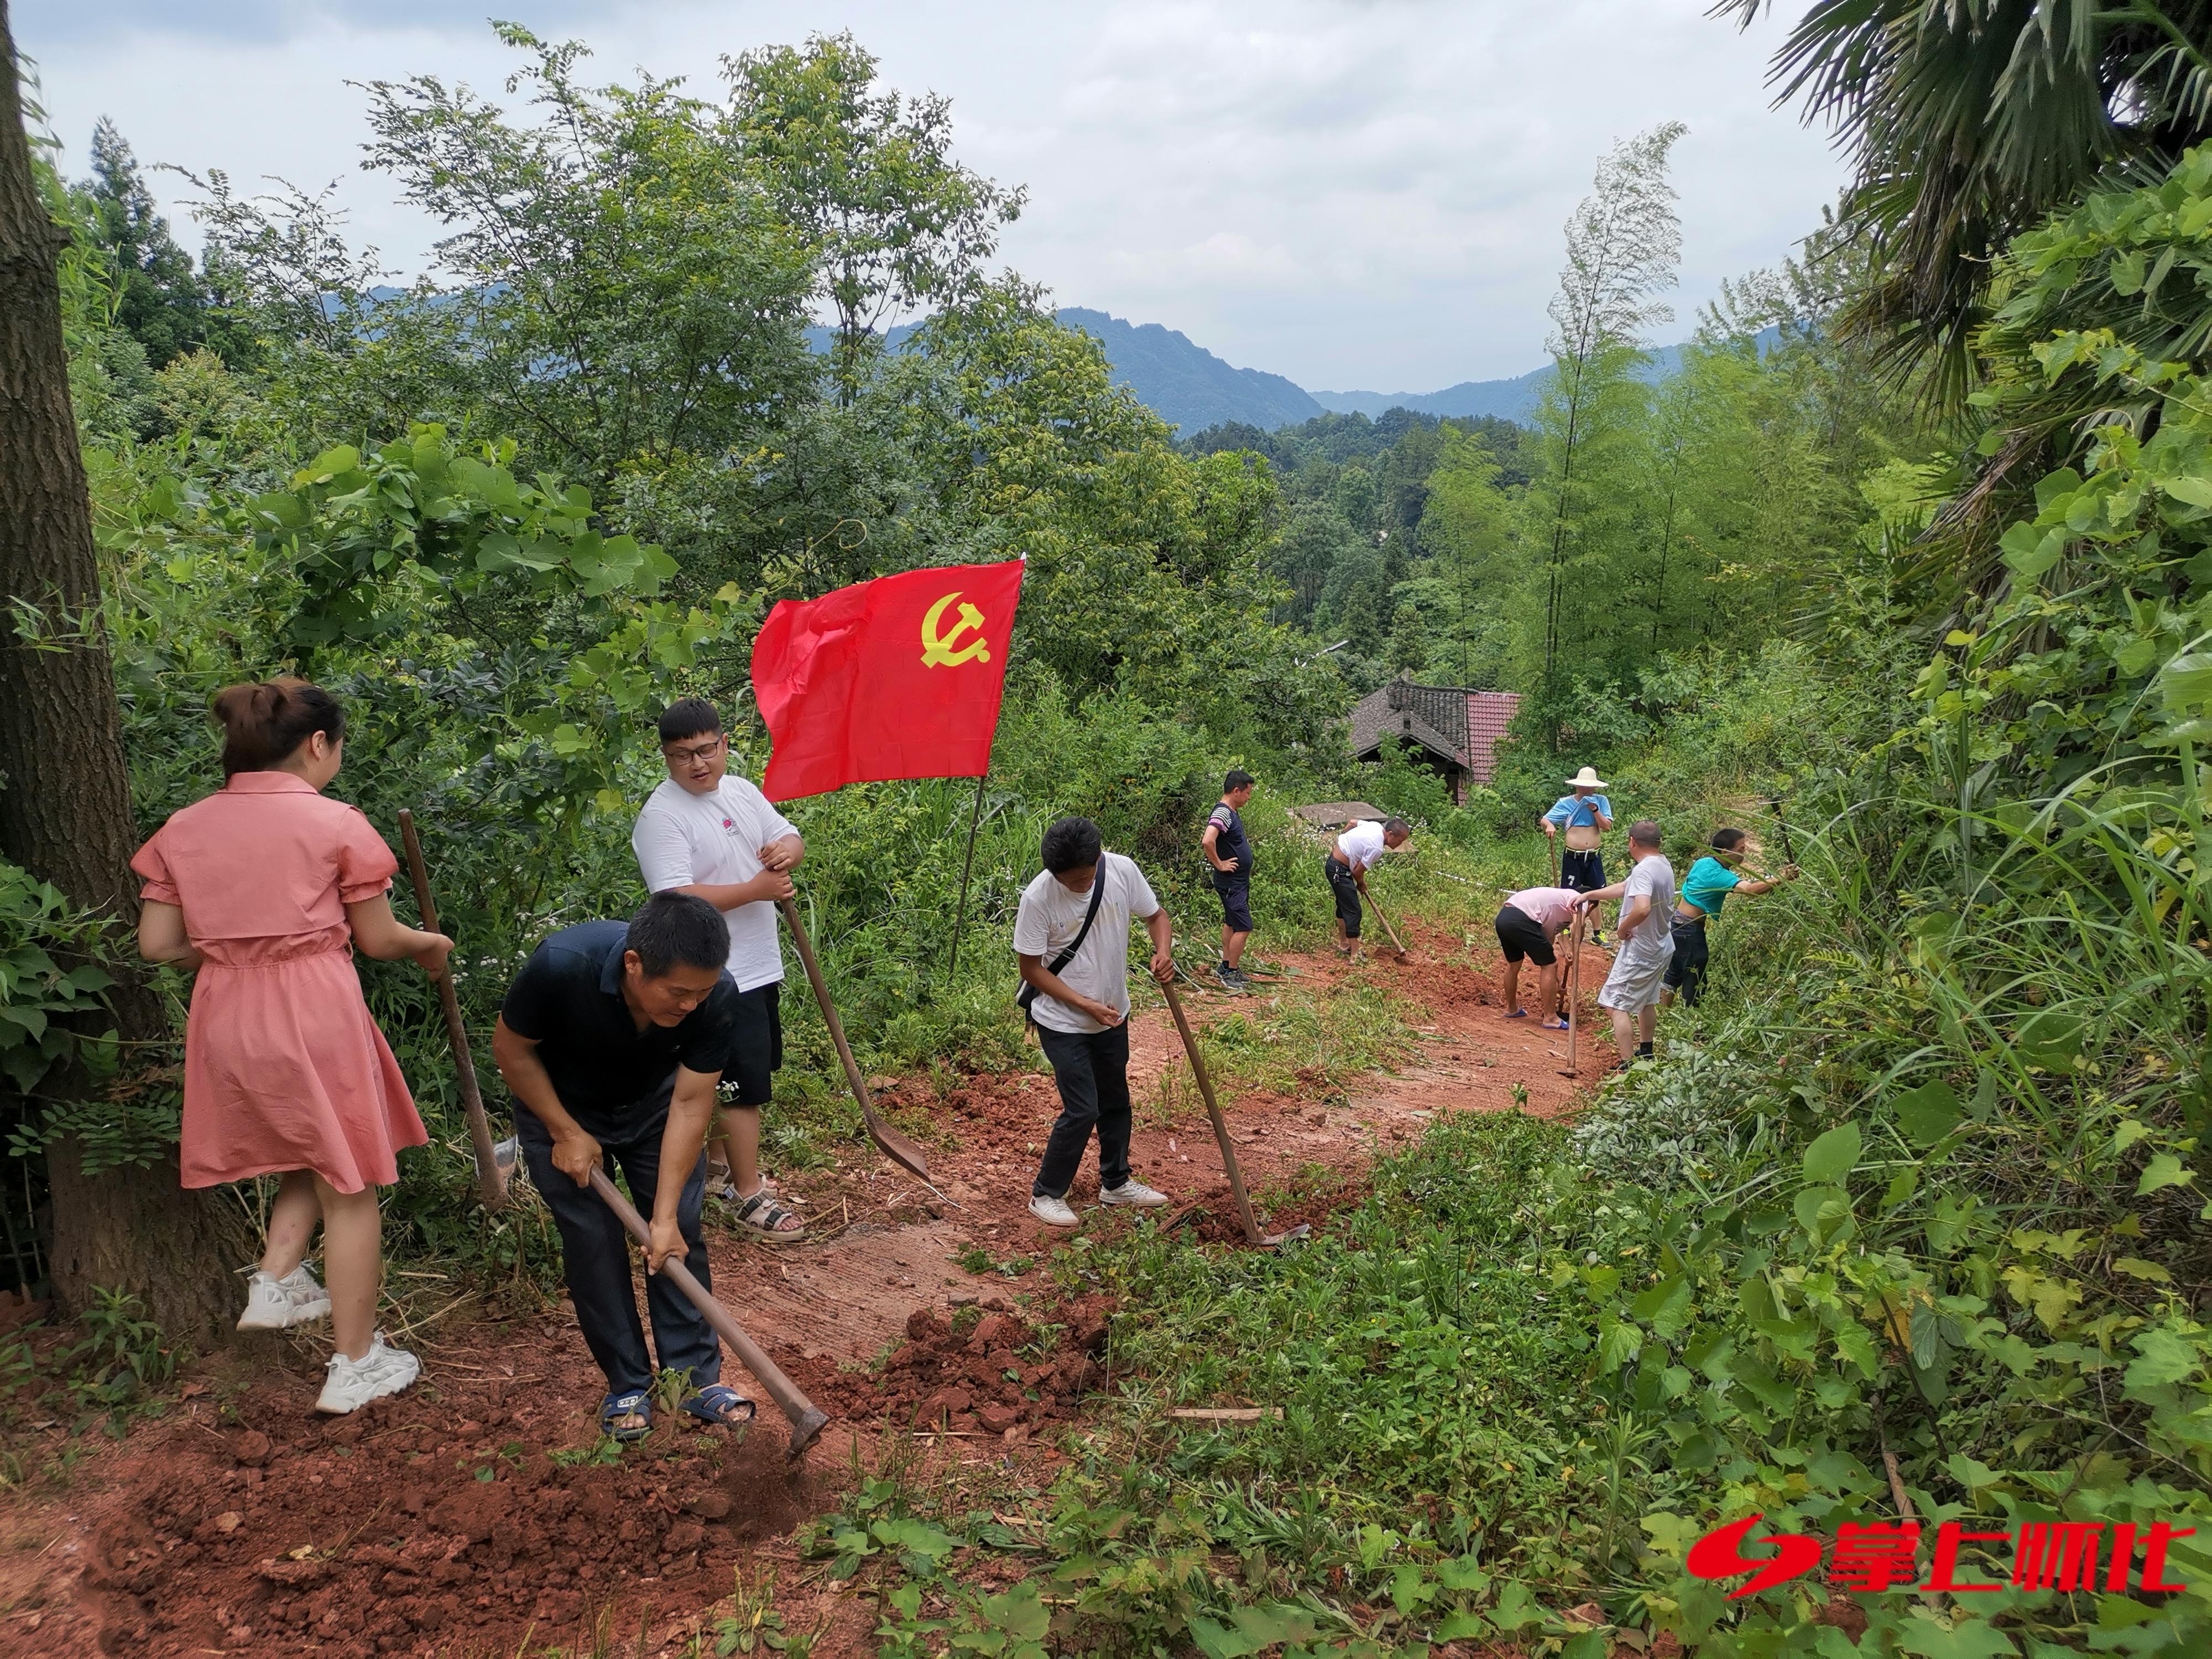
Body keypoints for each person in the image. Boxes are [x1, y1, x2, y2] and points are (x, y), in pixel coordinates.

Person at [132, 679, 451, 1415]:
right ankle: (354, 1363)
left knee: (315, 1148)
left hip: (226, 1011)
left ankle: (277, 1279)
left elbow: (158, 945)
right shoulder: (335, 822)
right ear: (317, 744)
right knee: (352, 1184)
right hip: (313, 1008)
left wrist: (236, 948)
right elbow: (379, 939)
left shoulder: (184, 827)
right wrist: (430, 945)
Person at [492, 893, 755, 1441]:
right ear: (634, 964)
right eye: (678, 993)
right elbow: (512, 1051)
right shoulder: (562, 966)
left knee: (678, 1232)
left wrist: (664, 1217)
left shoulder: (717, 997)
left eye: (701, 992)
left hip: (653, 1108)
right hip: (558, 1105)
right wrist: (565, 1131)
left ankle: (693, 1380)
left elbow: (691, 1103)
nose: (690, 1005)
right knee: (592, 1239)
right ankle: (628, 1383)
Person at [631, 698, 805, 1243]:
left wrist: (786, 851)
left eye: (706, 750)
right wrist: (755, 889)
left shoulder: (742, 792)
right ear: (666, 757)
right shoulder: (661, 817)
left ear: (724, 744)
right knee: (739, 1088)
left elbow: (789, 834)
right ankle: (748, 1193)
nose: (697, 764)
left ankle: (715, 1169)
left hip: (759, 963)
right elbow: (674, 897)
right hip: (714, 976)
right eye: (682, 755)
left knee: (737, 1073)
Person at [1015, 817, 1176, 1228]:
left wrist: (1163, 952)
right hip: (1062, 1021)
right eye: (1070, 882)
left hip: (1112, 1015)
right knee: (1083, 1108)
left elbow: (1157, 917)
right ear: (1054, 874)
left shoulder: (1121, 870)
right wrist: (1084, 1004)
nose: (1080, 886)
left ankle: (1116, 1183)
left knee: (1116, 1100)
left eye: (1086, 878)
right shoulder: (1038, 898)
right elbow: (1031, 970)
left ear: (1098, 858)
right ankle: (1046, 1193)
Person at [1660, 828, 1799, 1009]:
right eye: (1741, 849)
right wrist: (1782, 878)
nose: (1745, 852)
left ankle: (1664, 1015)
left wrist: (1778, 877)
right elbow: (1750, 890)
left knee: (1675, 972)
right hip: (1690, 931)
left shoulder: (1704, 863)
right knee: (1696, 978)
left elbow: (1750, 884)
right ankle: (1693, 1017)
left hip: (1678, 924)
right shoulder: (1718, 875)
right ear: (1726, 852)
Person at [1575, 821, 1675, 1070]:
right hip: (1661, 946)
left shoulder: (1644, 870)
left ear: (1632, 842)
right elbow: (1625, 887)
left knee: (1615, 1005)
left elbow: (1642, 909)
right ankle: (1646, 1052)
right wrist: (1590, 894)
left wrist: (1622, 929)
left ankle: (1628, 1064)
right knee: (1647, 1000)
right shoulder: (1661, 864)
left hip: (1642, 951)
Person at [1491, 885, 1585, 1026]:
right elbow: (1579, 923)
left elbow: (1548, 946)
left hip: (1504, 918)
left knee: (1514, 965)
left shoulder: (1558, 905)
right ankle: (1551, 1018)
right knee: (1550, 966)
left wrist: (1559, 981)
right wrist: (1575, 949)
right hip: (1522, 919)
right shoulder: (1582, 900)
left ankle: (1512, 1009)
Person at [1542, 768, 1615, 946]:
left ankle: (1598, 933)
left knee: (1595, 894)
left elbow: (1607, 827)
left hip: (1593, 856)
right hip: (1573, 857)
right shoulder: (1566, 803)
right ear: (1578, 786)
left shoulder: (1601, 801)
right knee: (1569, 894)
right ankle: (1566, 929)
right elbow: (1545, 819)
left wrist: (1595, 810)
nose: (1587, 790)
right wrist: (1550, 826)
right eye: (1584, 786)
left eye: (1590, 787)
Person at [1323, 815, 1411, 961]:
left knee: (1344, 905)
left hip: (1335, 864)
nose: (1400, 844)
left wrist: (1343, 841)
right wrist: (1361, 884)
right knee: (1354, 910)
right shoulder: (1376, 848)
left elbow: (1352, 823)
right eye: (1400, 840)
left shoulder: (1375, 826)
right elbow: (1357, 872)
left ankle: (1344, 944)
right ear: (1390, 835)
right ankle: (1355, 954)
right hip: (1339, 871)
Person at [1202, 770, 1258, 990]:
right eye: (1248, 793)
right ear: (1236, 791)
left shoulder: (1230, 812)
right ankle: (1231, 975)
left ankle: (1226, 966)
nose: (1249, 797)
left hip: (1237, 882)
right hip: (1231, 884)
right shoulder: (1223, 812)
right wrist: (1219, 864)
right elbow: (1208, 840)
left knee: (1231, 923)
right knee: (1244, 927)